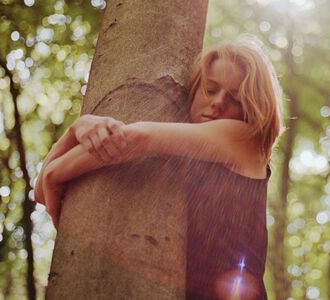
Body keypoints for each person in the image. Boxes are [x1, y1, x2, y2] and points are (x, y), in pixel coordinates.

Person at [34, 36, 283, 300]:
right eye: (211, 89)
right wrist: (75, 129)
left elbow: (138, 139)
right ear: (195, 88)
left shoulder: (247, 140)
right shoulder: (188, 161)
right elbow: (40, 193)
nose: (219, 102)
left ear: (252, 108)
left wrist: (54, 171)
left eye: (236, 98)